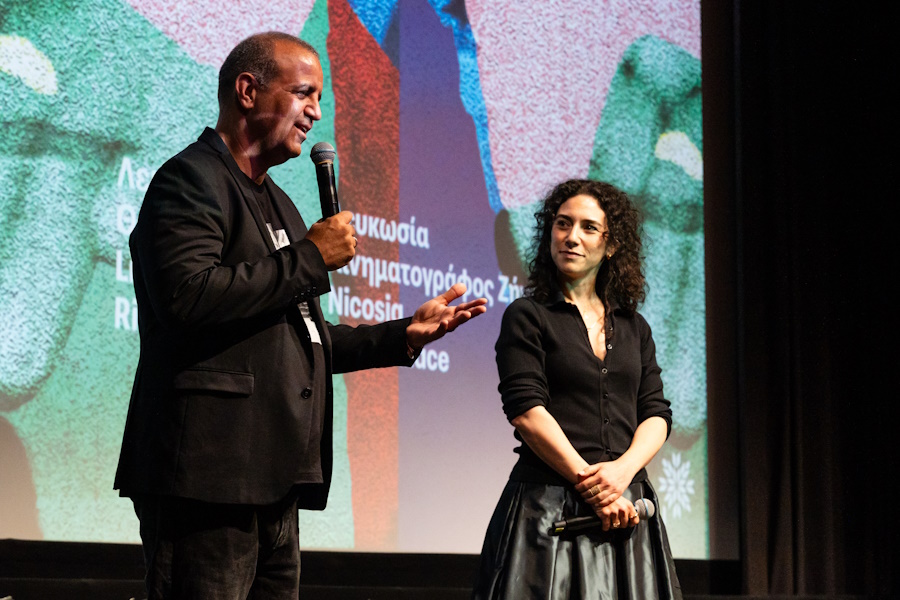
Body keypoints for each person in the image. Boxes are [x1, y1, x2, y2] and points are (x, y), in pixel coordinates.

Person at [113, 31, 486, 598]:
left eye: (319, 99)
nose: (315, 112)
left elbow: (302, 337)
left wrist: (403, 336)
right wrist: (311, 256)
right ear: (247, 91)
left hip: (274, 481)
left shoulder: (279, 203)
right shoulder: (190, 180)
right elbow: (187, 298)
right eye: (304, 93)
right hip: (207, 480)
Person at [472, 179, 680, 599]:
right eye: (563, 224)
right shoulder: (528, 316)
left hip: (626, 506)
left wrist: (621, 473)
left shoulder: (634, 327)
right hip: (548, 510)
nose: (571, 237)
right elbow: (527, 412)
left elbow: (656, 413)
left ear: (611, 244)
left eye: (588, 227)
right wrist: (598, 489)